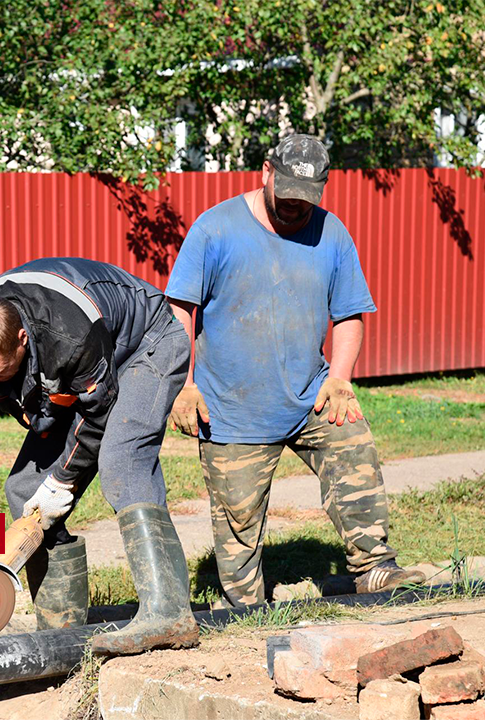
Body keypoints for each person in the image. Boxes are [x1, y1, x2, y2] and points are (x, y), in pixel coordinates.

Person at [164, 134, 424, 608]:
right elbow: (180, 310)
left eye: (305, 200)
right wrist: (182, 385)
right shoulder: (215, 229)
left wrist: (341, 376)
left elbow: (348, 315)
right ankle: (243, 603)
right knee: (238, 533)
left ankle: (374, 568)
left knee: (353, 447)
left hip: (312, 398)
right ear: (265, 171)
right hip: (232, 411)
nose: (293, 207)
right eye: (285, 194)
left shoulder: (332, 234)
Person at [0, 257, 198, 654]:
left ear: (20, 338)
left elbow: (99, 412)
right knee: (25, 490)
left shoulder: (66, 332)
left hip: (146, 344)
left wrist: (63, 479)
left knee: (122, 460)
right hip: (82, 372)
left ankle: (169, 612)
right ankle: (61, 631)